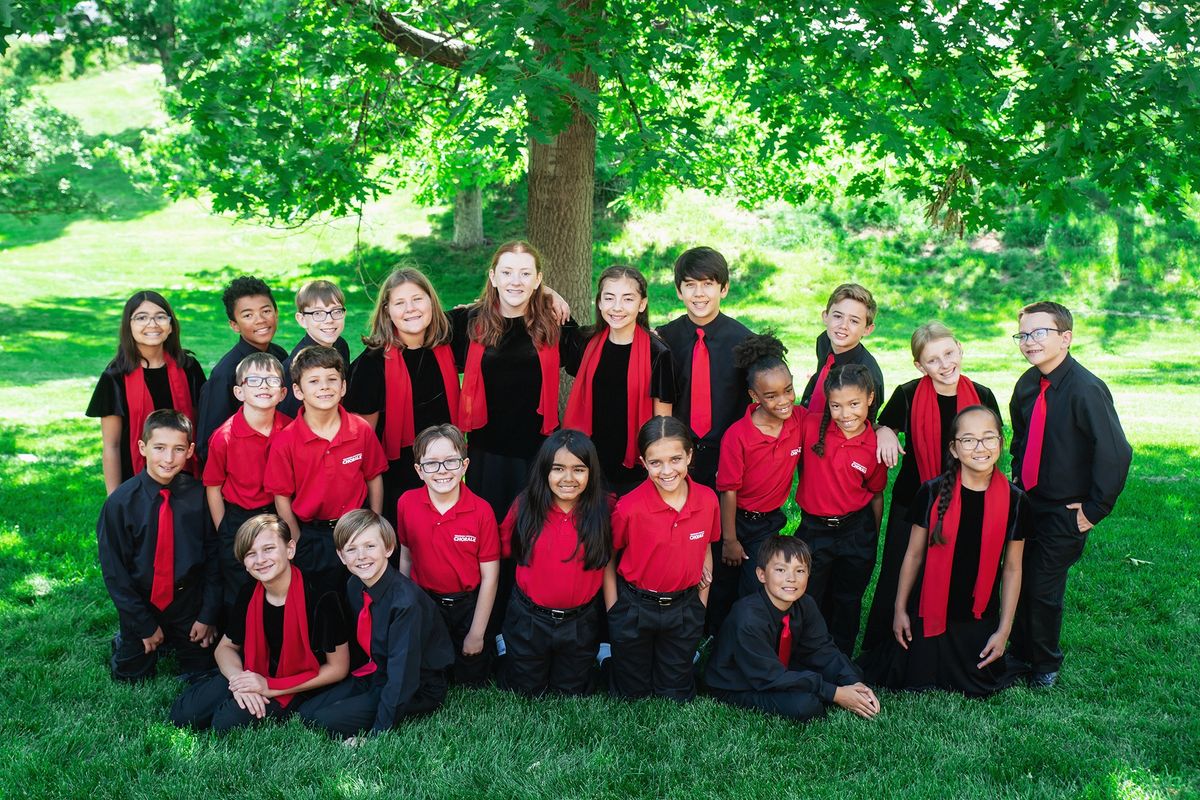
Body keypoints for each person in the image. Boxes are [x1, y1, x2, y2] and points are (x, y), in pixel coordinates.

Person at [861, 406, 1028, 697]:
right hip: (928, 609)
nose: (980, 447)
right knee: (909, 674)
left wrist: (1003, 632)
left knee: (979, 680)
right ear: (953, 448)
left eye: (989, 438)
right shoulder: (932, 491)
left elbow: (1013, 568)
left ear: (1001, 443)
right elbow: (912, 555)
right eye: (969, 440)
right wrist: (900, 610)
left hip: (976, 612)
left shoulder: (1016, 501)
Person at [1007, 301, 1132, 687]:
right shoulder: (1028, 385)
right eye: (1023, 335)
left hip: (1065, 509)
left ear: (1066, 338)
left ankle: (1044, 663)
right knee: (1019, 577)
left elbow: (1115, 451)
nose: (1030, 341)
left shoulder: (1087, 389)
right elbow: (1022, 439)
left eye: (1039, 333)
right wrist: (1015, 477)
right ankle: (1020, 651)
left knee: (1044, 585)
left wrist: (1094, 509)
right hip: (1027, 502)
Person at [861, 322, 1003, 652]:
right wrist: (883, 429)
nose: (944, 365)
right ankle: (887, 646)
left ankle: (946, 644)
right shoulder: (908, 393)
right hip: (914, 500)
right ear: (919, 366)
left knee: (959, 573)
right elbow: (884, 422)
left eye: (949, 353)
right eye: (933, 360)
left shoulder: (981, 396)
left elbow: (993, 447)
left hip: (968, 499)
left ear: (960, 349)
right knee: (900, 572)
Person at [169, 514, 350, 732]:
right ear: (244, 563)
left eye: (269, 549)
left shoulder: (322, 596)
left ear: (290, 549)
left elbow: (338, 668)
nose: (260, 560)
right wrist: (240, 682)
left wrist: (270, 687)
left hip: (297, 682)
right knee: (184, 714)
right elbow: (224, 648)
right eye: (251, 554)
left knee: (226, 723)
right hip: (252, 670)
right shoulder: (249, 593)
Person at [656, 247, 753, 634]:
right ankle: (675, 615)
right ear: (679, 290)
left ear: (724, 289)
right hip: (677, 457)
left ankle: (716, 624)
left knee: (722, 539)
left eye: (708, 285)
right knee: (677, 534)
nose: (699, 294)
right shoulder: (664, 338)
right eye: (690, 285)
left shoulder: (744, 341)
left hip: (727, 457)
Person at [452, 240, 583, 518]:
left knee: (532, 534)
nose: (515, 281)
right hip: (487, 452)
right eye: (507, 272)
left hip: (537, 451)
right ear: (493, 276)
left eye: (525, 274)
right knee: (488, 533)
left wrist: (645, 335)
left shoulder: (555, 321)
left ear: (538, 280)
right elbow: (415, 325)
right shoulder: (468, 321)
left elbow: (594, 355)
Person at [299, 510, 455, 736]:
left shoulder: (405, 604)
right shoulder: (354, 585)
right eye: (351, 549)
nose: (361, 556)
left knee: (326, 721)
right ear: (342, 557)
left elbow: (403, 676)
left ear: (388, 548)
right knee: (308, 713)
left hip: (417, 685)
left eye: (370, 546)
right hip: (377, 672)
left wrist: (378, 732)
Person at [97, 410, 220, 682]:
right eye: (159, 448)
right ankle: (127, 638)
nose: (168, 458)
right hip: (141, 600)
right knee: (131, 676)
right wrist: (142, 624)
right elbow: (115, 572)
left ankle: (176, 638)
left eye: (178, 449)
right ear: (143, 447)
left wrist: (207, 615)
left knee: (202, 671)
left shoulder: (201, 497)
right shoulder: (120, 503)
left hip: (188, 601)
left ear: (189, 451)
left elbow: (214, 557)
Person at [705, 535, 880, 722]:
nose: (791, 579)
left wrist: (854, 682)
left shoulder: (805, 604)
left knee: (849, 671)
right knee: (805, 706)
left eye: (800, 571)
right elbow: (770, 678)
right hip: (741, 683)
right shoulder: (748, 618)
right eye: (781, 570)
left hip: (779, 666)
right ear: (761, 574)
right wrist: (836, 694)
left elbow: (822, 649)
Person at [606, 416, 719, 701]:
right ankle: (608, 657)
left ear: (690, 456)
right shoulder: (629, 507)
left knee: (676, 693)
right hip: (635, 607)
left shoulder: (707, 500)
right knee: (632, 693)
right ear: (643, 463)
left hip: (684, 608)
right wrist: (614, 610)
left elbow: (705, 545)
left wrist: (699, 607)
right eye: (656, 463)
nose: (667, 471)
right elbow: (608, 557)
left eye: (675, 459)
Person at [263, 345, 387, 594]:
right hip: (313, 537)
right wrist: (298, 540)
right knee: (322, 605)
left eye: (332, 379)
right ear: (298, 391)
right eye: (314, 381)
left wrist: (375, 524)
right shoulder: (285, 441)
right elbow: (281, 496)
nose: (324, 386)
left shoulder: (360, 430)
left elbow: (374, 477)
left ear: (343, 387)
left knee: (361, 599)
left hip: (356, 531)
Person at [498, 430, 611, 696]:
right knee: (526, 690)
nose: (568, 479)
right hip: (529, 618)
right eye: (558, 469)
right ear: (544, 471)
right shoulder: (524, 506)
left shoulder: (606, 509)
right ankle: (505, 650)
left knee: (570, 691)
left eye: (579, 469)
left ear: (591, 472)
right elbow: (499, 550)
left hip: (579, 621)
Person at [346, 268, 460, 528]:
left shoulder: (449, 342)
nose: (410, 309)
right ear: (387, 310)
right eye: (400, 302)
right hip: (397, 486)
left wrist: (548, 293)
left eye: (417, 299)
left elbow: (499, 306)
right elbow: (362, 442)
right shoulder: (370, 365)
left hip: (446, 476)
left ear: (431, 301)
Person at [794, 364, 888, 657]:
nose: (846, 414)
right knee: (809, 597)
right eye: (836, 405)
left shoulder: (875, 445)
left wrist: (870, 536)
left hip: (856, 530)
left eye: (854, 404)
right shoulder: (810, 427)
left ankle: (840, 659)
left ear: (870, 398)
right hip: (814, 529)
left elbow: (875, 494)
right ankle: (807, 655)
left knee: (847, 600)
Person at [396, 425, 500, 686]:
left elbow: (490, 577)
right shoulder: (407, 503)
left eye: (450, 461)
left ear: (464, 465)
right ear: (419, 471)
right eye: (431, 464)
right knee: (429, 675)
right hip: (426, 603)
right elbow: (406, 558)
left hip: (467, 606)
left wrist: (476, 632)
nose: (442, 471)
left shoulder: (481, 511)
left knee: (472, 678)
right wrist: (405, 606)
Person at [563, 266, 675, 495]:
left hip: (634, 467)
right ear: (599, 302)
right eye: (609, 298)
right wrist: (551, 294)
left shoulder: (658, 353)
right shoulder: (585, 342)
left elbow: (662, 423)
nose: (617, 307)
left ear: (642, 304)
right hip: (587, 462)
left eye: (628, 299)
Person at [87, 290, 206, 494]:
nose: (152, 324)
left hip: (188, 480)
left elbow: (203, 427)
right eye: (141, 317)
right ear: (129, 326)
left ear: (170, 326)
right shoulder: (115, 377)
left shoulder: (188, 367)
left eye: (160, 316)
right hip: (134, 482)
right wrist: (115, 501)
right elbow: (112, 446)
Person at [202, 352, 291, 618]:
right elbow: (213, 486)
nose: (264, 386)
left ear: (284, 393)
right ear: (239, 392)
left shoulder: (290, 430)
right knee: (240, 586)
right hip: (239, 519)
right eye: (254, 380)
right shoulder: (224, 437)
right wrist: (224, 529)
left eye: (271, 381)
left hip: (278, 513)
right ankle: (239, 645)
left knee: (278, 579)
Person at [717, 333, 805, 597]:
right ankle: (717, 634)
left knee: (757, 586)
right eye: (771, 395)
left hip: (768, 524)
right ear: (754, 395)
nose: (783, 401)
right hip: (735, 519)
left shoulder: (800, 421)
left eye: (788, 390)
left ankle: (751, 632)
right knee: (724, 583)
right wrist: (730, 540)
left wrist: (882, 429)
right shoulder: (738, 435)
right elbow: (728, 490)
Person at [196, 277, 288, 461]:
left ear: (276, 313)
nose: (260, 320)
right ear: (234, 325)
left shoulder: (280, 355)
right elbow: (207, 445)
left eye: (266, 311)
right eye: (248, 315)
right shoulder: (226, 374)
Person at [798, 283, 884, 421]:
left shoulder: (868, 375)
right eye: (838, 316)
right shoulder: (825, 341)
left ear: (867, 329)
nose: (843, 326)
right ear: (825, 316)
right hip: (808, 421)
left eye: (854, 321)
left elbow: (864, 425)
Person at [279, 280, 352, 418]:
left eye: (336, 311)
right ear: (302, 320)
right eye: (318, 313)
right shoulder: (295, 365)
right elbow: (288, 417)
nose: (329, 320)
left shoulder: (340, 345)